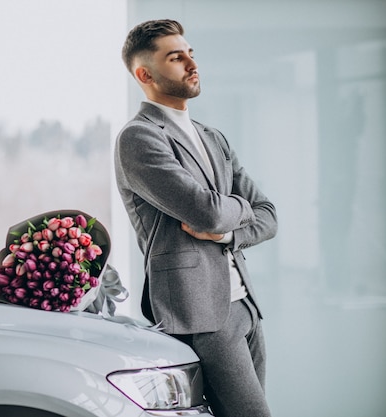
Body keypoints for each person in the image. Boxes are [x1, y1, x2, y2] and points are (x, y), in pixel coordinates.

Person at [114, 19, 278, 417]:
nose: (191, 63)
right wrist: (236, 207)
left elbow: (269, 216)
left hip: (245, 307)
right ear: (145, 74)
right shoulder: (139, 137)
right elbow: (205, 211)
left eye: (191, 53)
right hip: (200, 312)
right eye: (176, 57)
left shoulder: (213, 137)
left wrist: (224, 234)